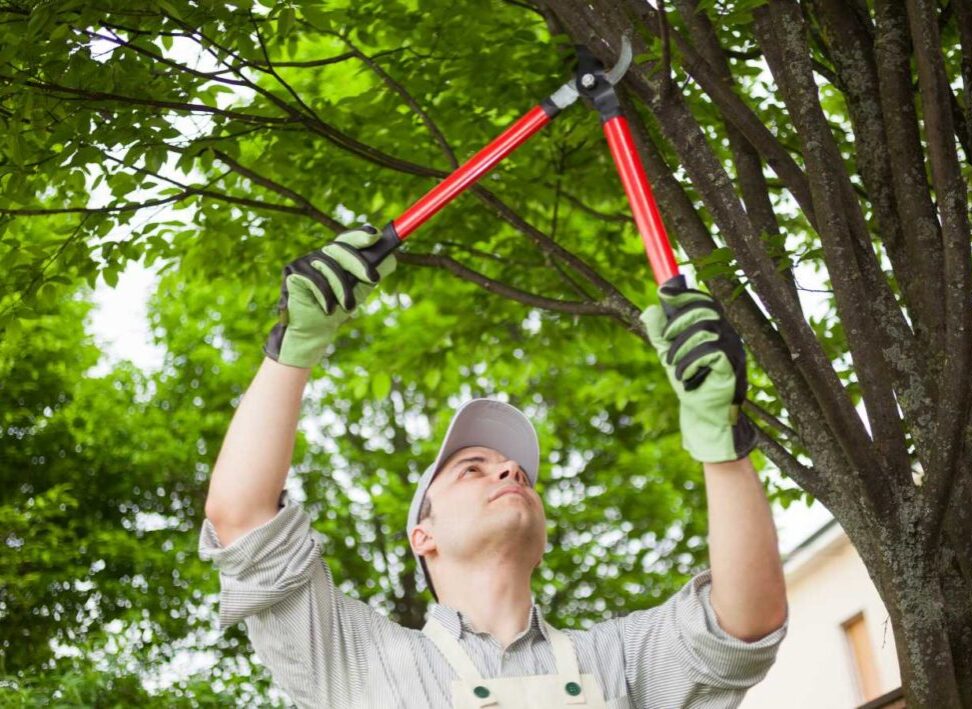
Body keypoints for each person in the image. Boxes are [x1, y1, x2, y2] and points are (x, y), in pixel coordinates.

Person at [199, 226, 788, 708]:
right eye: (473, 469)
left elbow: (745, 623)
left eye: (519, 474)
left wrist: (721, 441)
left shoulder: (619, 660)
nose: (509, 472)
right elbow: (242, 519)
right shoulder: (358, 663)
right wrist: (294, 348)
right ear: (421, 535)